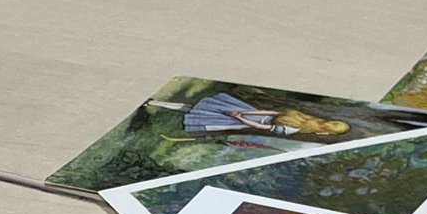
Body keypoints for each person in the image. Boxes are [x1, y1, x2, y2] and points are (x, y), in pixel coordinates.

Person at [147, 92, 350, 137]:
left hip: (246, 113)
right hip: (242, 118)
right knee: (199, 113)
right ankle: (157, 103)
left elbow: (270, 113)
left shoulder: (299, 117)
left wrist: (245, 111)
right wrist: (240, 116)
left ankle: (157, 102)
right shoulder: (294, 128)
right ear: (325, 132)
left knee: (196, 107)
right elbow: (261, 126)